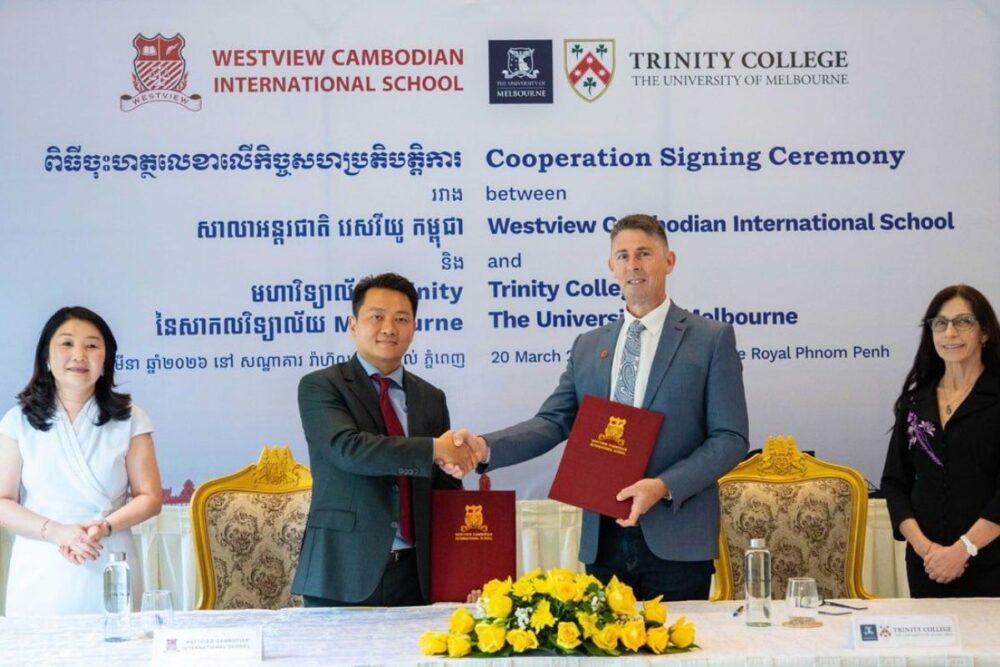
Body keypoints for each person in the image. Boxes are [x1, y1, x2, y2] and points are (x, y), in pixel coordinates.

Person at [454, 214, 749, 602]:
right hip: (603, 539)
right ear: (611, 267)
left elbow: (729, 438)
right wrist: (485, 447)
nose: (634, 265)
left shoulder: (710, 339)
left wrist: (663, 486)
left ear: (669, 261)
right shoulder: (588, 346)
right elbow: (553, 421)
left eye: (644, 253)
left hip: (676, 538)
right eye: (623, 256)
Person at [291, 272, 479, 607]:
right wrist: (436, 448)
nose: (389, 328)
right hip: (342, 571)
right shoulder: (321, 387)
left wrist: (468, 566)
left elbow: (444, 492)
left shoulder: (430, 397)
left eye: (401, 319)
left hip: (416, 576)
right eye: (376, 317)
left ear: (414, 329)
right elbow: (349, 449)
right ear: (353, 325)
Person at [0, 307, 163, 616]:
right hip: (41, 561)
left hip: (109, 556)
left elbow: (150, 497)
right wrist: (56, 531)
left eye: (91, 345)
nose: (79, 354)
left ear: (106, 360)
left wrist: (104, 527)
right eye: (66, 344)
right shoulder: (17, 421)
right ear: (46, 357)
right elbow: (2, 501)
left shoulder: (130, 418)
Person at [881, 284, 1000, 597]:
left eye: (963, 321)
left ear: (984, 332)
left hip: (990, 562)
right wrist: (926, 549)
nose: (950, 332)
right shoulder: (915, 402)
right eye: (940, 323)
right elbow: (894, 483)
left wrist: (964, 549)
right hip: (927, 564)